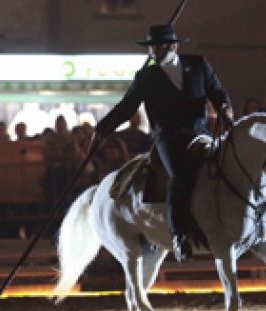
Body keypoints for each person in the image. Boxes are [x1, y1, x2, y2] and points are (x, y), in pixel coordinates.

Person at [93, 24, 233, 262]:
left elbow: (217, 92)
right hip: (169, 137)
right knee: (179, 175)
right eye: (151, 48)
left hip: (200, 132)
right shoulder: (146, 76)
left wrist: (225, 108)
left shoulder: (198, 64)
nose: (153, 53)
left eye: (158, 48)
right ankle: (179, 235)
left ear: (173, 47)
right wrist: (101, 131)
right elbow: (126, 107)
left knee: (226, 167)